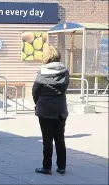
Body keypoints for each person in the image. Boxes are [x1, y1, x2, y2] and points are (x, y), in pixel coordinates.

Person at [32, 46, 69, 175]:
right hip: (60, 108)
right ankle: (62, 167)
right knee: (60, 138)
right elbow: (65, 87)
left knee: (47, 139)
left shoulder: (42, 71)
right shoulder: (65, 70)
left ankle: (47, 168)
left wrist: (38, 102)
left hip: (45, 109)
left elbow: (35, 90)